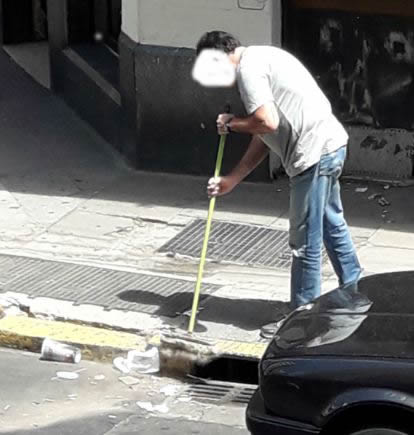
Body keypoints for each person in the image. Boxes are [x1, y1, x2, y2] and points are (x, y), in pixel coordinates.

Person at [196, 31, 362, 339]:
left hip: (312, 156)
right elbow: (267, 134)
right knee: (330, 224)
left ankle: (301, 321)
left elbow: (266, 122)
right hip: (331, 145)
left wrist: (232, 124)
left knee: (304, 244)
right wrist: (233, 179)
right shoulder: (264, 57)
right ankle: (356, 292)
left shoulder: (247, 71)